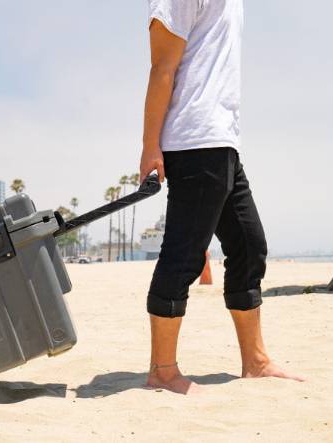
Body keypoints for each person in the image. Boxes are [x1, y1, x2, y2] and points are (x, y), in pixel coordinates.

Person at [139, 0, 304, 394]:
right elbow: (162, 67)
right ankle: (162, 371)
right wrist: (150, 147)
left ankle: (256, 362)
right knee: (182, 256)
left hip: (222, 139)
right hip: (195, 139)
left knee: (249, 244)